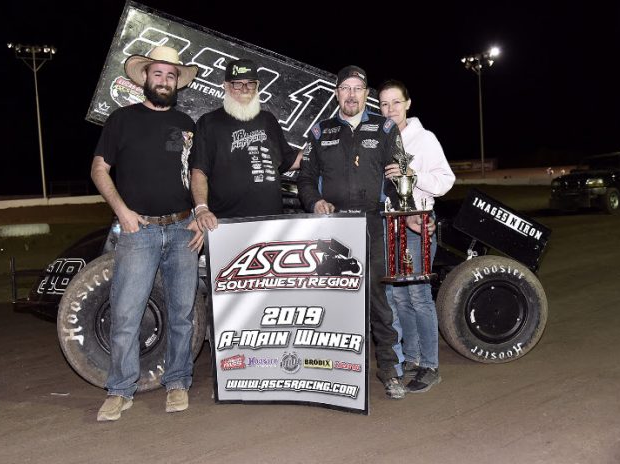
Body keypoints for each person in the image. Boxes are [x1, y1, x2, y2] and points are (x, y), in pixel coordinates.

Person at [91, 46, 204, 421]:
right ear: (145, 77)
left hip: (183, 230)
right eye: (158, 74)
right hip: (138, 232)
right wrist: (122, 212)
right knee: (126, 314)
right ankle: (120, 389)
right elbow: (99, 169)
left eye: (171, 76)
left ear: (177, 83)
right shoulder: (121, 120)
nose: (164, 81)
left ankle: (178, 382)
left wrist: (200, 215)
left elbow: (200, 175)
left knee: (182, 314)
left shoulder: (188, 124)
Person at [297, 65, 409, 399]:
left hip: (372, 224)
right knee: (334, 301)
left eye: (357, 88)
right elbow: (305, 179)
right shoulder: (321, 131)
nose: (351, 94)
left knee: (378, 301)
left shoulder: (385, 128)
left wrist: (402, 199)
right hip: (332, 228)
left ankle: (389, 370)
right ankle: (335, 372)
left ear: (366, 94)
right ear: (337, 94)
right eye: (345, 88)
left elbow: (399, 176)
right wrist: (315, 201)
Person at [379, 79, 455, 393]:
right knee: (398, 297)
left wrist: (413, 175)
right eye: (384, 104)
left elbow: (446, 180)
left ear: (408, 103)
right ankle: (411, 357)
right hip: (390, 225)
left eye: (396, 102)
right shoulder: (380, 138)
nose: (390, 109)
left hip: (418, 224)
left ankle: (430, 365)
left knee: (419, 296)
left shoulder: (425, 139)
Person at [190, 58, 301, 229]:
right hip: (226, 223)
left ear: (257, 86)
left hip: (271, 222)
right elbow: (198, 171)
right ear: (226, 86)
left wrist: (320, 150)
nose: (244, 89)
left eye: (250, 83)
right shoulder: (208, 122)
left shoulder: (268, 120)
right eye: (237, 84)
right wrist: (202, 209)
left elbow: (288, 161)